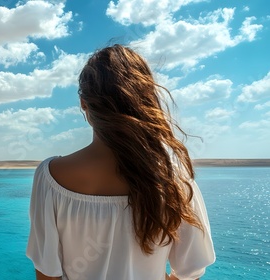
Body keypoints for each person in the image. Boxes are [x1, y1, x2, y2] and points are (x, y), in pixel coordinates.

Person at [26, 45, 215, 280]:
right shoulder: (171, 176)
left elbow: (47, 274)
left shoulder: (51, 176)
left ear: (84, 103)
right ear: (146, 101)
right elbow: (191, 271)